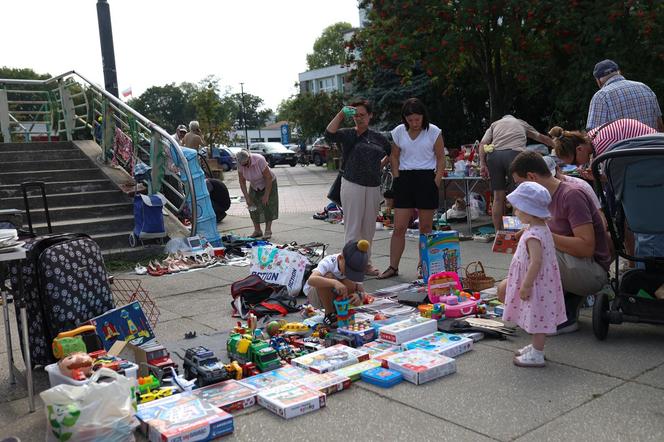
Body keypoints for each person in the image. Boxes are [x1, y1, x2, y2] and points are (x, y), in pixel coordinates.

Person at [509, 151, 611, 334]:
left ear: (531, 177)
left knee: (533, 253)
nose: (517, 189)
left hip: (592, 270)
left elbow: (586, 247)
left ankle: (560, 313)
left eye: (518, 183)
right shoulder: (543, 198)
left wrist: (541, 235)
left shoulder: (571, 195)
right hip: (572, 264)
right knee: (505, 292)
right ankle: (562, 305)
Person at [496, 182, 566, 367]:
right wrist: (522, 231)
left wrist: (526, 285)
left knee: (537, 315)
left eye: (518, 209)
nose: (516, 212)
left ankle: (537, 352)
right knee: (536, 315)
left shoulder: (533, 236)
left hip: (536, 283)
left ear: (529, 211)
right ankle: (536, 346)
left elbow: (536, 261)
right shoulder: (540, 228)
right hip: (542, 282)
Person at [379, 98, 445, 279]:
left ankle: (423, 266)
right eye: (410, 120)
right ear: (405, 119)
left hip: (426, 178)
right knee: (399, 227)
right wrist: (397, 177)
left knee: (425, 227)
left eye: (417, 119)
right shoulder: (399, 132)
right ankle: (393, 267)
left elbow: (441, 158)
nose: (414, 123)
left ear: (423, 116)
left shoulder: (433, 131)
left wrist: (436, 182)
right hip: (405, 179)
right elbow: (394, 156)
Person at [325, 99, 391, 276]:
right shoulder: (348, 134)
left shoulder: (378, 138)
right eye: (356, 116)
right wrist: (341, 114)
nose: (359, 119)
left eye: (363, 115)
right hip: (352, 183)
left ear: (370, 115)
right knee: (353, 227)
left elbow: (392, 153)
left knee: (368, 227)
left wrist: (381, 165)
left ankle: (366, 262)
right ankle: (351, 265)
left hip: (373, 186)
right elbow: (329, 134)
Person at [479, 115, 554, 232]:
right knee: (517, 195)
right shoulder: (521, 122)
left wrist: (482, 164)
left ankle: (498, 233)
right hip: (514, 154)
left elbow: (483, 143)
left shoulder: (495, 124)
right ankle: (516, 233)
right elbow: (540, 137)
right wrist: (557, 146)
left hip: (494, 156)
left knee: (498, 197)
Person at [303, 239, 370, 327]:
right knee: (327, 276)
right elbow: (312, 280)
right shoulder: (329, 262)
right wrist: (334, 282)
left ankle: (341, 311)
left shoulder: (355, 266)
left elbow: (362, 292)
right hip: (318, 298)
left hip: (339, 300)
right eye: (348, 270)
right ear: (340, 258)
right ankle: (329, 314)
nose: (349, 273)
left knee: (350, 281)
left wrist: (359, 296)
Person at [587, 59, 663, 132]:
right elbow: (659, 125)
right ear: (619, 72)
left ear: (598, 80)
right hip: (652, 144)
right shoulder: (645, 88)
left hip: (622, 145)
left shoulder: (601, 96)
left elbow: (594, 133)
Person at [236, 149, 278, 239]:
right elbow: (242, 182)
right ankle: (257, 230)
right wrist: (247, 197)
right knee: (252, 206)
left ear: (249, 158)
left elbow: (268, 178)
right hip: (254, 184)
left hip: (268, 182)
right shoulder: (240, 164)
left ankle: (268, 230)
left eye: (246, 164)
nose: (245, 166)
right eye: (243, 165)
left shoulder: (259, 160)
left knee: (267, 205)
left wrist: (266, 195)